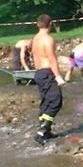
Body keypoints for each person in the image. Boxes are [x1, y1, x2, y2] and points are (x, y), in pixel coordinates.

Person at [31, 14, 65, 144]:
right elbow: (51, 59)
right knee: (56, 101)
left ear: (38, 24)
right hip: (47, 72)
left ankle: (47, 131)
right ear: (50, 24)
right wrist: (58, 76)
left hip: (39, 73)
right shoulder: (48, 39)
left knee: (46, 101)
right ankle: (42, 132)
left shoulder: (35, 38)